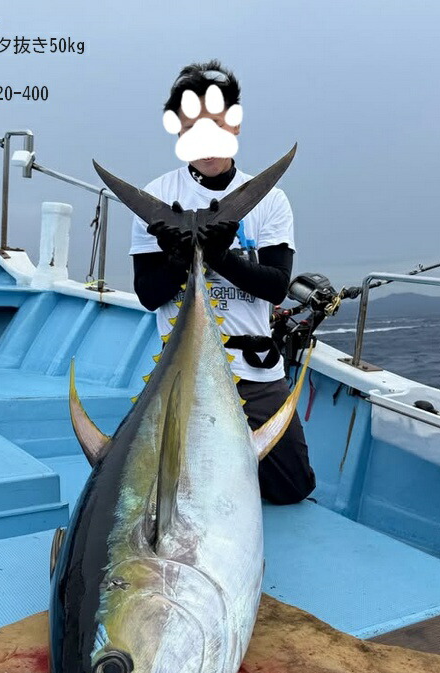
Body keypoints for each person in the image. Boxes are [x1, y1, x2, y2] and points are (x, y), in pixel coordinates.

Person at [129, 60, 315, 505]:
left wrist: (218, 258)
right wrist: (179, 259)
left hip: (255, 371)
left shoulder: (270, 199)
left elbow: (275, 286)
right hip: (181, 376)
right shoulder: (154, 198)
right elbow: (148, 295)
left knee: (292, 488)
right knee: (162, 495)